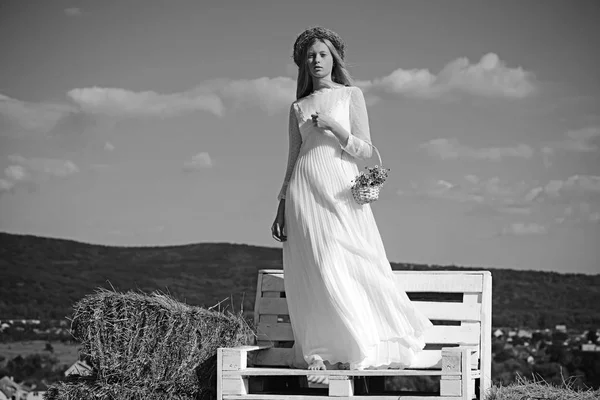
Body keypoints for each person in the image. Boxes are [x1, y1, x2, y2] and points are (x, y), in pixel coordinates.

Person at [271, 26, 433, 372]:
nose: (316, 60)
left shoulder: (350, 95)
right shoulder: (297, 107)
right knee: (313, 268)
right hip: (303, 191)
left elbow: (366, 150)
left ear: (334, 59)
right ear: (303, 62)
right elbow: (292, 159)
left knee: (344, 260)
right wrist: (281, 204)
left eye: (323, 54)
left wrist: (335, 128)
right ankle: (319, 352)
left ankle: (359, 344)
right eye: (311, 55)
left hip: (341, 188)